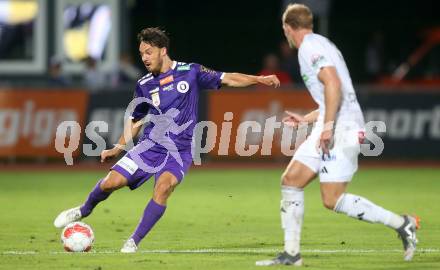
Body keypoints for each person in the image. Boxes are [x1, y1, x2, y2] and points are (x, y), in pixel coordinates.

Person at [53, 27, 280, 253]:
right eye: (142, 53)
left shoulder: (190, 71)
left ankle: (133, 242)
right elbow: (136, 121)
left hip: (179, 151)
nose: (144, 58)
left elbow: (227, 78)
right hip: (149, 147)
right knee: (111, 183)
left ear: (163, 50)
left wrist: (258, 79)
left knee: (163, 188)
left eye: (149, 52)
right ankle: (84, 209)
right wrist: (118, 147)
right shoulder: (144, 84)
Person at [256, 4, 419, 266]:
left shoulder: (310, 48)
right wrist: (309, 119)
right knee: (291, 180)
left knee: (331, 199)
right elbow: (330, 93)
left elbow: (333, 84)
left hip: (342, 128)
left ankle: (403, 224)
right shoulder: (322, 43)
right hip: (331, 123)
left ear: (287, 28)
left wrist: (328, 127)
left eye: (284, 29)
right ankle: (291, 253)